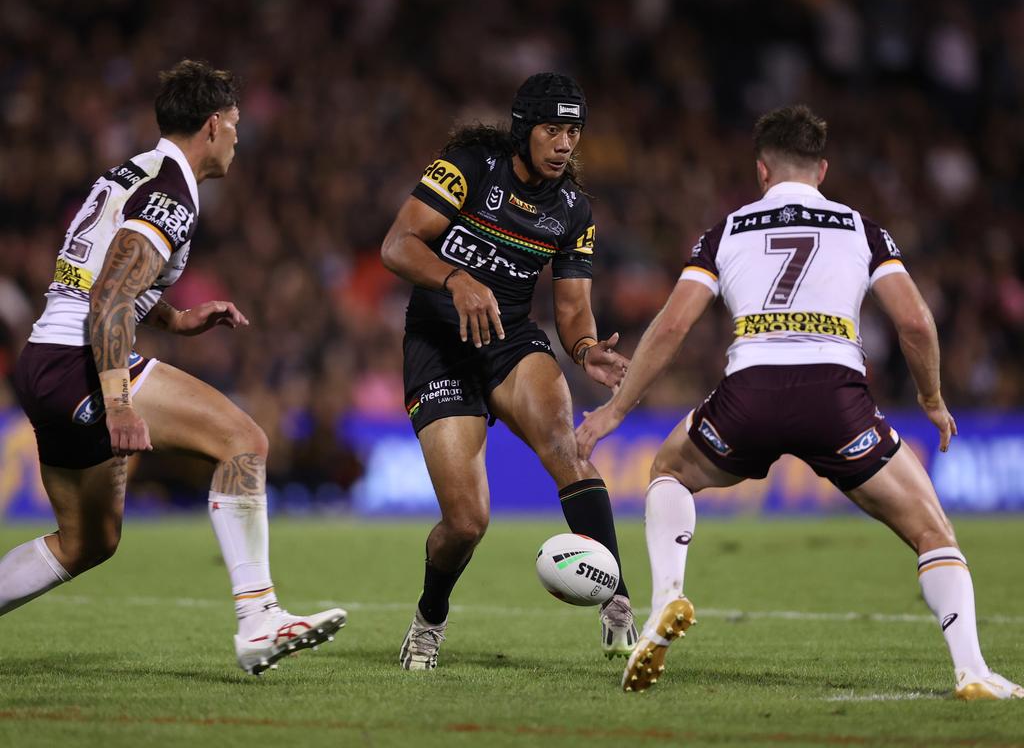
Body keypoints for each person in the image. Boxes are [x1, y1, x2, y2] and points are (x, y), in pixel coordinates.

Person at [576, 105, 1023, 700]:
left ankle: (666, 599)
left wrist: (614, 412)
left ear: (761, 171)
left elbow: (671, 326)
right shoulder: (862, 229)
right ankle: (970, 670)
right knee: (933, 532)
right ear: (822, 169)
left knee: (668, 472)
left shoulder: (726, 231)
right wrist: (932, 399)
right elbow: (915, 322)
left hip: (749, 394)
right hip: (837, 401)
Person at [2, 60, 346, 675]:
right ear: (213, 126)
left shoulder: (135, 171)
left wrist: (176, 319)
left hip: (42, 362)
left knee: (88, 543)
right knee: (243, 441)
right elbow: (109, 295)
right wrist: (118, 401)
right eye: (236, 126)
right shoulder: (173, 191)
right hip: (82, 361)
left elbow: (102, 273)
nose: (240, 139)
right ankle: (259, 616)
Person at [380, 73, 637, 670]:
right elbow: (397, 245)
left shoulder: (574, 210)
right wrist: (456, 279)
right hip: (439, 344)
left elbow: (572, 310)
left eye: (574, 131)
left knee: (564, 448)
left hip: (509, 341)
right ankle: (429, 618)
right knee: (467, 522)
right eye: (553, 129)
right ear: (523, 129)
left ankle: (617, 601)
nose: (565, 143)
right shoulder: (467, 167)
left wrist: (585, 348)